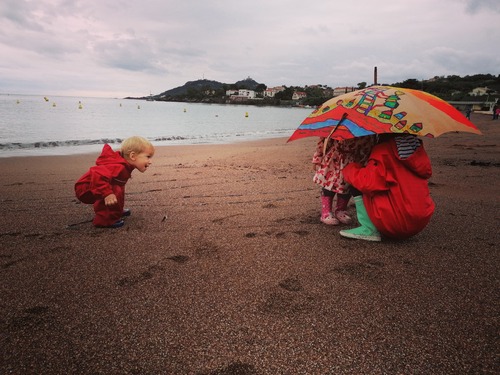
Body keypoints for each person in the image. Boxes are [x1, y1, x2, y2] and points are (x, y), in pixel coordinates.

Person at [339, 133, 435, 241]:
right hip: (420, 221)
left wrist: (350, 168)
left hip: (396, 223)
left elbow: (368, 183)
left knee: (356, 179)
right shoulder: (416, 150)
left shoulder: (383, 150)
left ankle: (369, 229)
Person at [75, 136, 155, 228]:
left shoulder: (125, 165)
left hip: (98, 184)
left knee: (118, 187)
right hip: (87, 187)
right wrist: (107, 194)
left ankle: (116, 211)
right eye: (148, 157)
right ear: (132, 156)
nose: (150, 161)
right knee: (114, 189)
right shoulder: (117, 166)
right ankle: (104, 220)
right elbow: (97, 174)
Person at [312, 136, 375, 225]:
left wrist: (366, 162)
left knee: (347, 186)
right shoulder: (339, 124)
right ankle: (326, 211)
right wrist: (317, 157)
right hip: (335, 159)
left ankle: (341, 210)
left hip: (355, 160)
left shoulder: (368, 132)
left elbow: (370, 146)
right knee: (329, 185)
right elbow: (324, 140)